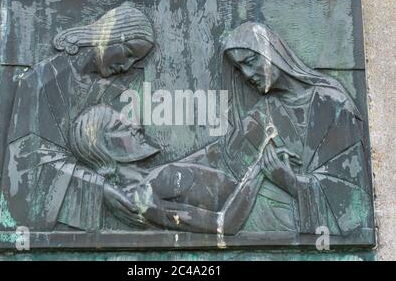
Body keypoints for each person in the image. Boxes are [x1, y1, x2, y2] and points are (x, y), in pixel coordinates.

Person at [126, 21, 373, 237]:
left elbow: (354, 202)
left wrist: (288, 179)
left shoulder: (331, 102)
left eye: (250, 62)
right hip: (255, 194)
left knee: (192, 202)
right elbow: (220, 153)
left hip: (291, 208)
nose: (246, 74)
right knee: (169, 181)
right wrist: (158, 171)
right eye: (239, 68)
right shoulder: (266, 111)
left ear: (273, 52)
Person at [2, 4, 156, 231]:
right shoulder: (41, 81)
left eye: (135, 61)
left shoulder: (111, 92)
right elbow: (24, 170)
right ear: (110, 34)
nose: (127, 66)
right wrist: (98, 189)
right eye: (128, 52)